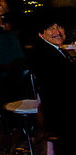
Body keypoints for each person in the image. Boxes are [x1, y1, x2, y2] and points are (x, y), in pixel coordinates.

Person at [26, 12, 76, 153]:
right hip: (60, 110)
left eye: (59, 27)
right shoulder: (45, 54)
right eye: (51, 28)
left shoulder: (54, 50)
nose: (57, 32)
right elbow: (63, 84)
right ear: (41, 34)